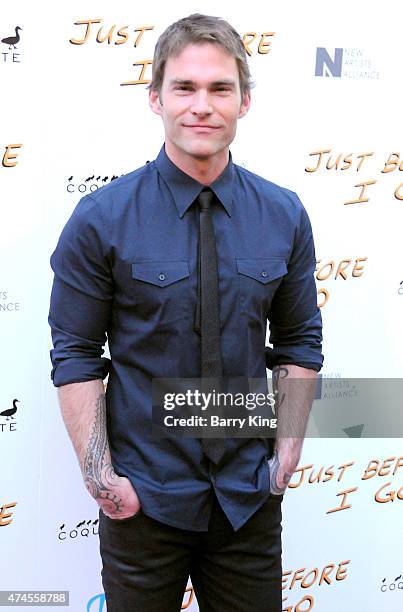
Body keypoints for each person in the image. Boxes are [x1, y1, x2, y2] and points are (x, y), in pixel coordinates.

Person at [48, 13, 323, 612]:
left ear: (244, 102)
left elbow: (300, 343)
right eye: (185, 88)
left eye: (220, 88)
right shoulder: (102, 219)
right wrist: (104, 481)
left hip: (247, 503)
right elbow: (75, 355)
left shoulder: (284, 214)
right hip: (143, 501)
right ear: (155, 99)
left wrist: (286, 455)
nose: (203, 105)